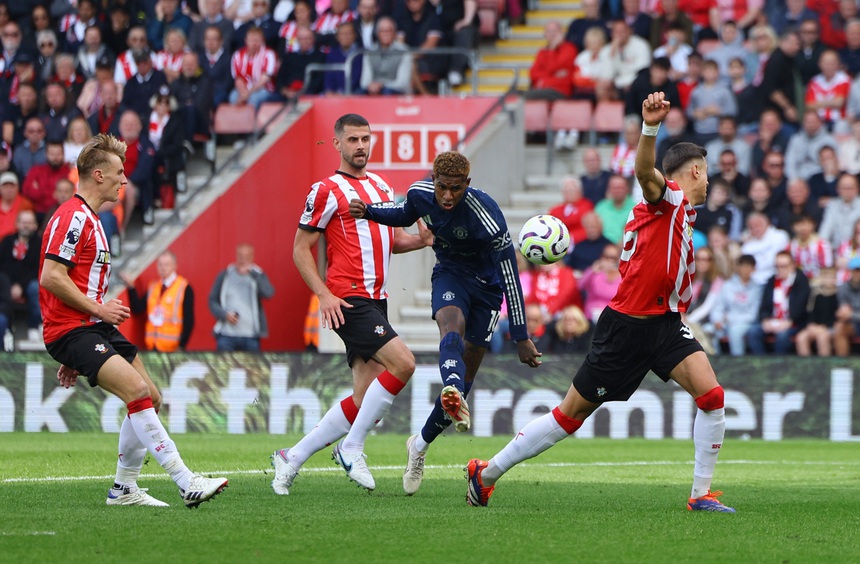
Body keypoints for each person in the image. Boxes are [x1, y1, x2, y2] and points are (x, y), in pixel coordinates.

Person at [464, 91, 736, 512]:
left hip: (665, 323)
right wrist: (649, 126)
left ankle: (701, 495)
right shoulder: (666, 200)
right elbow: (646, 170)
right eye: (706, 172)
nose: (709, 179)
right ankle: (487, 473)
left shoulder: (678, 211)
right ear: (696, 171)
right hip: (627, 327)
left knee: (713, 397)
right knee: (569, 416)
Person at [39, 133, 227, 507]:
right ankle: (185, 480)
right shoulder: (72, 217)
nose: (125, 180)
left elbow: (72, 283)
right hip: (75, 329)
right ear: (97, 175)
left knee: (151, 397)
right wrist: (95, 314)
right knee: (137, 393)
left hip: (89, 328)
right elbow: (50, 277)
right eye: (119, 173)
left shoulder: (93, 220)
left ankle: (124, 489)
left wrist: (84, 336)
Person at [350, 150, 541, 495]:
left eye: (456, 188)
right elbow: (403, 213)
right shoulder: (421, 193)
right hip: (450, 275)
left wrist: (521, 336)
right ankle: (451, 386)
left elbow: (510, 275)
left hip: (488, 289)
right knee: (450, 324)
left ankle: (419, 446)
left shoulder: (488, 217)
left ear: (468, 183)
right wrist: (369, 211)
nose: (448, 196)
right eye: (442, 188)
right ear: (434, 182)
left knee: (466, 378)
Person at [271, 114, 429, 494]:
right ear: (337, 144)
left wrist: (423, 240)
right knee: (404, 363)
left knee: (364, 401)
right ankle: (350, 447)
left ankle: (291, 457)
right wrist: (324, 294)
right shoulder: (326, 190)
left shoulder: (380, 185)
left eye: (366, 138)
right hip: (348, 298)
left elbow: (392, 240)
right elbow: (300, 249)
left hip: (378, 298)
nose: (361, 145)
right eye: (353, 139)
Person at [120, 251, 195, 352]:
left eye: (167, 264)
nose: (163, 268)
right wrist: (131, 288)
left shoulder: (184, 287)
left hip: (173, 348)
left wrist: (182, 346)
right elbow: (137, 308)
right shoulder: (153, 287)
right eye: (160, 265)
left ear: (174, 266)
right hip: (152, 346)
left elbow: (189, 320)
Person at [209, 243, 274, 352]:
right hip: (227, 335)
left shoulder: (258, 275)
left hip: (251, 335)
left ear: (252, 258)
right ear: (236, 256)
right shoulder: (225, 275)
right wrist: (224, 314)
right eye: (240, 256)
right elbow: (212, 300)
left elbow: (268, 293)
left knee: (252, 367)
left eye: (246, 257)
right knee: (223, 366)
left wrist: (253, 274)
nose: (242, 260)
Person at [746, 250, 810, 355]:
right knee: (754, 332)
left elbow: (801, 307)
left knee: (782, 335)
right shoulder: (772, 281)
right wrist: (765, 319)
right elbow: (764, 305)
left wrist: (790, 321)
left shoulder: (801, 281)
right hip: (773, 320)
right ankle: (761, 364)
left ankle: (778, 366)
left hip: (793, 322)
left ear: (793, 265)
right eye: (777, 266)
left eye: (784, 266)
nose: (780, 269)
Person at [0, 209, 41, 342]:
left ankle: (34, 326)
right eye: (23, 222)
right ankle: (5, 328)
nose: (26, 226)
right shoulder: (7, 241)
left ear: (35, 225)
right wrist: (10, 285)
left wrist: (20, 286)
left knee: (36, 288)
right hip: (7, 283)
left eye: (29, 223)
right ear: (17, 224)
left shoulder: (39, 244)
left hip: (29, 282)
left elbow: (37, 269)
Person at [710, 254, 762, 356]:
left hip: (746, 322)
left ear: (754, 269)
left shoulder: (757, 288)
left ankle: (738, 365)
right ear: (738, 267)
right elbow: (718, 306)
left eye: (749, 266)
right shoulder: (727, 285)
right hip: (724, 322)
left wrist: (730, 319)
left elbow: (753, 314)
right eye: (743, 266)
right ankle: (714, 363)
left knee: (735, 332)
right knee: (708, 330)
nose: (746, 269)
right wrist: (717, 320)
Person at [795, 266, 838, 357]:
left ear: (835, 279)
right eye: (826, 277)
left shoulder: (838, 294)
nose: (828, 280)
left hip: (830, 327)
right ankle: (807, 368)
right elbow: (811, 311)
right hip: (816, 326)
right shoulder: (816, 294)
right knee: (801, 337)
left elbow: (837, 315)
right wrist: (811, 324)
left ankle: (824, 367)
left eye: (831, 277)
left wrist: (825, 327)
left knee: (822, 338)